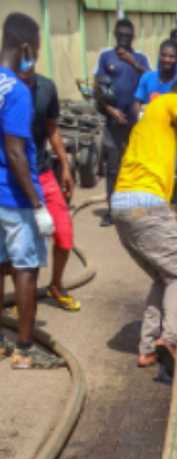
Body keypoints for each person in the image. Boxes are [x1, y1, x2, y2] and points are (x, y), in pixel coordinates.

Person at [111, 79, 177, 371]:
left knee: (162, 276)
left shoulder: (149, 119)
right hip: (144, 207)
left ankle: (147, 349)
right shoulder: (173, 102)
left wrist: (171, 216)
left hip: (122, 206)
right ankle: (171, 338)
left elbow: (148, 181)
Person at [0, 13, 54, 369]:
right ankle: (24, 348)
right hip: (16, 199)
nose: (34, 54)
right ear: (24, 47)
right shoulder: (17, 91)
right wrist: (37, 205)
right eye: (34, 48)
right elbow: (16, 150)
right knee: (26, 269)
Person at [20, 55, 79, 312]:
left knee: (64, 236)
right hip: (14, 178)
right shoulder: (5, 90)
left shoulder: (46, 87)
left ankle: (56, 285)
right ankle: (23, 298)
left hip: (44, 174)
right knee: (19, 246)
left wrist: (65, 166)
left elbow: (52, 128)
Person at [95, 18, 149, 226]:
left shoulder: (140, 59)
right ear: (115, 35)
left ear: (133, 37)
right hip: (114, 123)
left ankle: (133, 210)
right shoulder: (105, 57)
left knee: (136, 166)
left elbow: (152, 78)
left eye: (128, 35)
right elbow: (99, 89)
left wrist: (131, 62)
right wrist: (111, 110)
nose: (124, 39)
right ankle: (112, 210)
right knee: (113, 169)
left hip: (136, 123)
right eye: (121, 35)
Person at [134, 40, 177, 201]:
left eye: (171, 56)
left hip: (175, 146)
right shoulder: (147, 78)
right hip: (150, 145)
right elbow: (137, 102)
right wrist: (140, 118)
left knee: (171, 190)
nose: (167, 59)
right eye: (164, 55)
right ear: (159, 56)